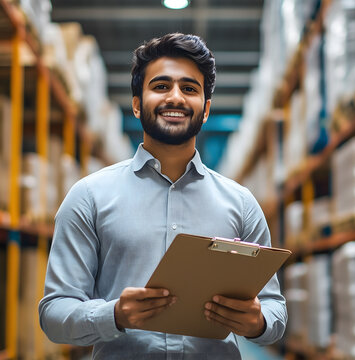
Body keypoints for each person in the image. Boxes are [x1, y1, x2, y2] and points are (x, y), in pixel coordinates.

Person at [39, 33, 287, 359]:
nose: (176, 98)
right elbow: (54, 312)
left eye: (189, 88)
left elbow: (274, 308)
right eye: (160, 86)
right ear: (137, 104)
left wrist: (258, 321)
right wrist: (114, 315)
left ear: (206, 108)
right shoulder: (89, 197)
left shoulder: (241, 204)